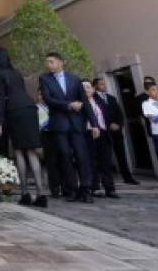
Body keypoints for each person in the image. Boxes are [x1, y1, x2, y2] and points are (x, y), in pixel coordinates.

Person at [0, 48, 45, 206]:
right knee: (32, 150)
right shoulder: (15, 72)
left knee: (20, 152)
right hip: (29, 107)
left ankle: (25, 194)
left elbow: (1, 98)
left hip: (15, 111)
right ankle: (41, 195)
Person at [39, 51, 95, 203]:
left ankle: (86, 189)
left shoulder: (75, 79)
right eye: (47, 62)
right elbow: (49, 99)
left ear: (60, 62)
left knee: (82, 156)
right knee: (64, 156)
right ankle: (71, 189)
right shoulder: (44, 79)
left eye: (51, 62)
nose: (48, 65)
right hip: (59, 124)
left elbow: (85, 102)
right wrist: (69, 104)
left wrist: (94, 123)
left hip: (77, 125)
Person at [92, 77, 138, 185]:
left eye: (104, 84)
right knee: (103, 157)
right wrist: (109, 124)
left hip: (116, 131)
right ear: (95, 86)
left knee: (121, 154)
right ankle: (105, 180)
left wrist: (118, 124)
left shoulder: (111, 98)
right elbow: (98, 115)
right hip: (103, 131)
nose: (104, 86)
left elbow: (119, 113)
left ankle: (127, 177)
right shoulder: (93, 99)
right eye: (101, 84)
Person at [83, 81, 118, 199]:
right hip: (88, 133)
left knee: (106, 162)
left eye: (88, 87)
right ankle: (95, 187)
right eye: (83, 88)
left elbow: (107, 116)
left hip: (103, 133)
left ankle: (110, 188)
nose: (86, 90)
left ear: (93, 89)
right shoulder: (80, 103)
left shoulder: (99, 101)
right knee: (92, 162)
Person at [37, 90, 62, 197]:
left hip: (58, 135)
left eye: (44, 94)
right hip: (44, 136)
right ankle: (55, 189)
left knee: (63, 161)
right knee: (50, 164)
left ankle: (66, 187)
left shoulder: (54, 106)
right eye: (40, 94)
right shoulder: (35, 108)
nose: (42, 96)